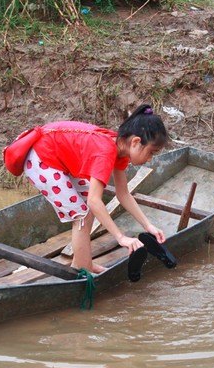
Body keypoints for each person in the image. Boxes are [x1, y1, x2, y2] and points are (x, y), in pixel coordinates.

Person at [22, 104, 169, 274]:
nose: (150, 159)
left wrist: (148, 226)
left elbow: (123, 194)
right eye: (151, 152)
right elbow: (94, 201)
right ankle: (82, 269)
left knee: (85, 208)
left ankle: (82, 263)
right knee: (82, 213)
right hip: (41, 159)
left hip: (59, 159)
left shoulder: (120, 151)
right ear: (136, 142)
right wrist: (120, 237)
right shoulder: (105, 152)